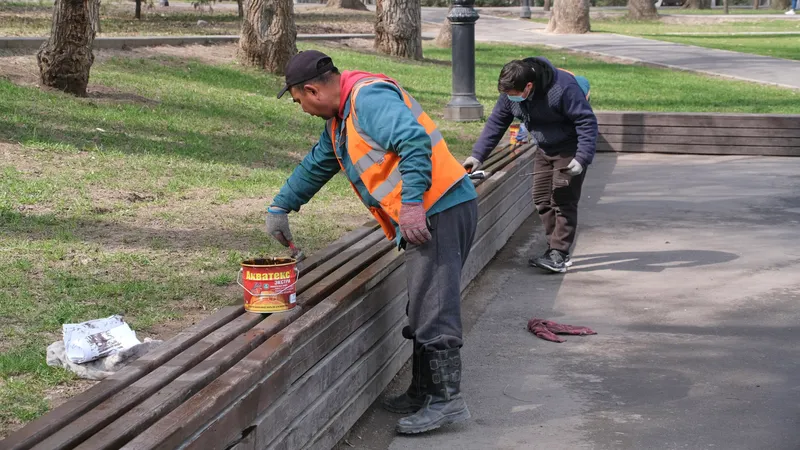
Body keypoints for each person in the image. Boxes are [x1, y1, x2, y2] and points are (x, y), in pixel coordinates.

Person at [266, 50, 478, 434]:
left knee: (434, 306)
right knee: (422, 304)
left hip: (439, 208)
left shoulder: (368, 98)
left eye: (300, 101)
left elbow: (415, 142)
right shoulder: (341, 119)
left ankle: (448, 402)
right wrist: (281, 206)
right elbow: (318, 163)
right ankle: (423, 392)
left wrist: (412, 205)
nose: (302, 110)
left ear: (312, 90)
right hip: (432, 209)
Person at [463, 57, 597, 273]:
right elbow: (497, 123)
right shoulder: (510, 94)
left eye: (514, 94)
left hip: (569, 148)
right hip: (544, 148)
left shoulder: (562, 88)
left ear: (528, 86)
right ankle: (554, 250)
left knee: (563, 199)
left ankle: (559, 254)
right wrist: (477, 156)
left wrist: (581, 159)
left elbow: (587, 122)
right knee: (542, 197)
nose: (510, 98)